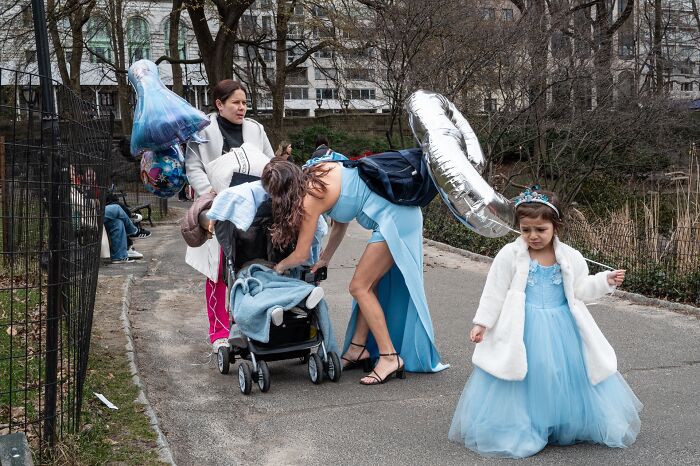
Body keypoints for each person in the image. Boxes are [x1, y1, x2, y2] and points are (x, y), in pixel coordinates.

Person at [448, 187, 642, 458]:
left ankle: (559, 420)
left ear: (555, 227)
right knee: (527, 374)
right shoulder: (510, 254)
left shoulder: (570, 256)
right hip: (522, 325)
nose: (533, 236)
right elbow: (494, 290)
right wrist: (483, 323)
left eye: (540, 229)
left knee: (559, 374)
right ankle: (525, 424)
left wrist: (604, 281)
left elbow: (580, 289)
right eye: (526, 230)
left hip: (562, 324)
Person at [261, 159, 447, 386]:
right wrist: (325, 259)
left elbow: (300, 254)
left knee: (359, 287)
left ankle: (389, 357)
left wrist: (279, 267)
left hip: (395, 220)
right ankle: (358, 348)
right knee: (369, 285)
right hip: (400, 214)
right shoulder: (320, 171)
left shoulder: (309, 200)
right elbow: (341, 221)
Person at [184, 79, 274, 353]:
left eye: (245, 103)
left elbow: (271, 162)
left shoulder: (255, 130)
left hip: (253, 209)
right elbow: (193, 165)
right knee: (218, 272)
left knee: (252, 264)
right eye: (235, 102)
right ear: (219, 104)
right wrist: (208, 191)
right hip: (218, 207)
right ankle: (219, 332)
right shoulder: (201, 130)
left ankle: (248, 322)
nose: (242, 108)